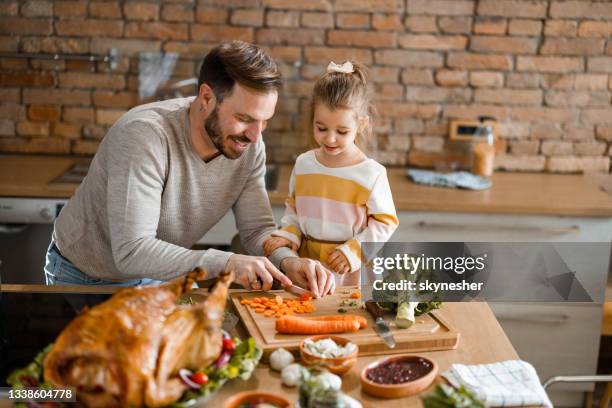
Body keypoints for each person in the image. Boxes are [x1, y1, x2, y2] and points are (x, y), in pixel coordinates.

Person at [44, 41, 336, 297]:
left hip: (162, 274)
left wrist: (287, 260)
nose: (256, 135)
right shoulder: (144, 136)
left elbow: (257, 230)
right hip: (86, 279)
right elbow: (132, 251)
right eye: (245, 118)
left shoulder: (249, 146)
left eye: (265, 121)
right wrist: (228, 262)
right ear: (207, 97)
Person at [263, 61, 399, 286]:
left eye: (342, 131)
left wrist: (353, 252)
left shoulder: (372, 173)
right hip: (306, 266)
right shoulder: (304, 164)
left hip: (349, 271)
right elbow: (294, 209)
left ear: (361, 125)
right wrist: (288, 235)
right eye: (321, 128)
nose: (330, 138)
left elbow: (385, 224)